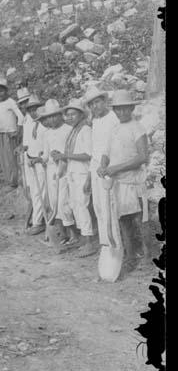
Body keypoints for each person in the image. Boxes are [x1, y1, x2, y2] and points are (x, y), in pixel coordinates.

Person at [97, 89, 151, 270]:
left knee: (139, 220)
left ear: (131, 108)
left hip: (133, 181)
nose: (121, 112)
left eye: (125, 109)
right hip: (118, 183)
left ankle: (148, 256)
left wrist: (117, 168)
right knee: (123, 220)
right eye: (118, 109)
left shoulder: (137, 128)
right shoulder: (115, 129)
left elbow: (143, 157)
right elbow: (106, 152)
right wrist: (103, 165)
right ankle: (130, 256)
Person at [54, 99, 97, 257]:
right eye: (68, 114)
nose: (70, 117)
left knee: (82, 206)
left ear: (81, 114)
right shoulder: (74, 131)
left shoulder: (85, 130)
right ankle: (83, 239)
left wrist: (65, 155)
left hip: (82, 173)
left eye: (73, 114)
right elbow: (70, 154)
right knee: (75, 205)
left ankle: (90, 242)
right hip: (72, 173)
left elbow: (88, 154)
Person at [84, 86, 120, 251]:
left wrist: (107, 167)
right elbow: (94, 152)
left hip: (109, 168)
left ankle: (116, 244)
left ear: (105, 101)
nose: (94, 107)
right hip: (96, 168)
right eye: (91, 104)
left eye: (97, 102)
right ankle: (105, 244)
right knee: (98, 206)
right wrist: (90, 177)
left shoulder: (114, 118)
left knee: (110, 207)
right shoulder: (95, 121)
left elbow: (116, 146)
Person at [39, 99, 76, 247]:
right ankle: (62, 234)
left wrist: (62, 158)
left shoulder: (68, 130)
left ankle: (74, 234)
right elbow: (46, 155)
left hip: (66, 169)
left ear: (61, 115)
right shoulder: (47, 134)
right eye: (49, 117)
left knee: (64, 202)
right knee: (54, 203)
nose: (52, 119)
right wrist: (37, 160)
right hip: (51, 171)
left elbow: (71, 151)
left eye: (55, 115)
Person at [21, 94, 48, 236]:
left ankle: (38, 222)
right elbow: (27, 143)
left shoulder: (44, 125)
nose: (33, 112)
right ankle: (35, 220)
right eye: (30, 110)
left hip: (41, 162)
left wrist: (39, 159)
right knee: (33, 192)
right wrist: (23, 150)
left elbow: (46, 147)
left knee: (40, 192)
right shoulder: (28, 123)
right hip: (30, 161)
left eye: (35, 109)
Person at [0, 77, 24, 188]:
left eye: (1, 91)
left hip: (9, 134)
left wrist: (18, 131)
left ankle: (15, 181)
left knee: (11, 159)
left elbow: (21, 117)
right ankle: (10, 181)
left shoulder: (11, 102)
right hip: (1, 134)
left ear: (6, 91)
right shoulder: (0, 104)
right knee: (4, 159)